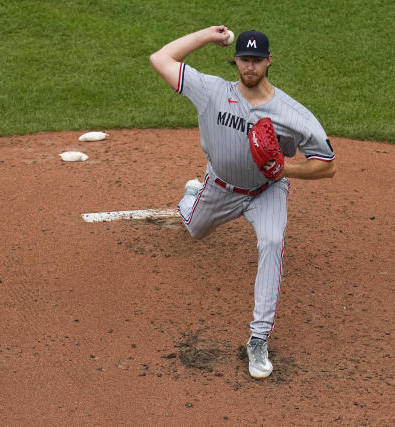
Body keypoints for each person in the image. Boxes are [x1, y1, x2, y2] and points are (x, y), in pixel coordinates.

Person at [149, 26, 336, 379]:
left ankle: (258, 339)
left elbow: (327, 166)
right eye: (244, 59)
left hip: (266, 191)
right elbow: (160, 58)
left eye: (256, 61)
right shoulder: (212, 92)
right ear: (235, 60)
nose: (249, 67)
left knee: (272, 241)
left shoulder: (293, 114)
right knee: (194, 229)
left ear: (269, 62)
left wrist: (286, 169)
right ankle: (192, 194)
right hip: (219, 188)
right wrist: (207, 34)